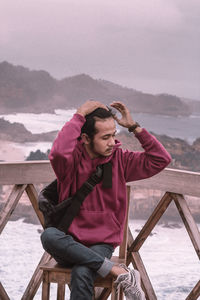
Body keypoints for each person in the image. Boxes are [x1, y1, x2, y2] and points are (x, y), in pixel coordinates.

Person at [41, 100, 171, 300]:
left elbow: (160, 159)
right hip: (69, 241)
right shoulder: (70, 164)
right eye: (105, 137)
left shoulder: (121, 160)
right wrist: (79, 114)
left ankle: (116, 271)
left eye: (114, 135)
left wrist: (135, 128)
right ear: (85, 138)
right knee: (49, 236)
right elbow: (58, 152)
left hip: (101, 244)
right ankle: (120, 272)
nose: (112, 142)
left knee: (82, 272)